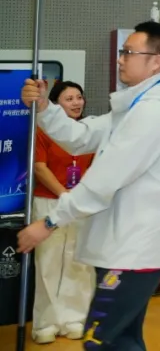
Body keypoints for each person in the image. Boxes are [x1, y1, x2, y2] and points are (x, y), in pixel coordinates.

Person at [18, 21, 160, 350]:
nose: (120, 59)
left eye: (129, 52)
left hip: (132, 248)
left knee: (101, 340)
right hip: (122, 245)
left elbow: (104, 179)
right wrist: (45, 107)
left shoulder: (152, 113)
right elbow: (81, 136)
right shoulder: (134, 107)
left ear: (155, 62)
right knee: (122, 340)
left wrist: (49, 221)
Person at [30, 81, 96, 344]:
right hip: (50, 202)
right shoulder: (43, 130)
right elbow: (40, 168)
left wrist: (79, 196)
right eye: (69, 99)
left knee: (78, 262)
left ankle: (75, 319)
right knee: (48, 262)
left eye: (79, 97)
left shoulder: (89, 131)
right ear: (56, 104)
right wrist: (65, 195)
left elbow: (96, 168)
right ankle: (46, 323)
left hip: (81, 204)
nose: (77, 103)